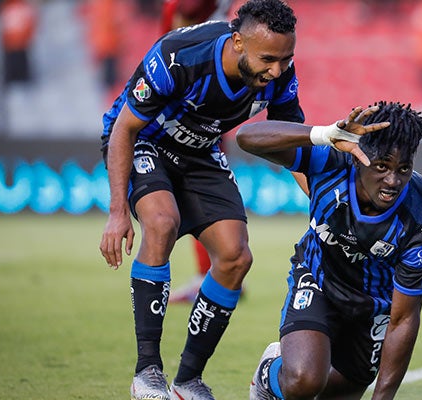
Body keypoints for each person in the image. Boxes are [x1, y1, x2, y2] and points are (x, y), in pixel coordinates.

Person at [98, 1, 304, 399]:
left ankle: (188, 381)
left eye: (285, 58)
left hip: (199, 150)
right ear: (238, 42)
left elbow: (289, 141)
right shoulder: (179, 56)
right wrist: (117, 212)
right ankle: (147, 374)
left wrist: (323, 201)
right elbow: (124, 129)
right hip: (145, 140)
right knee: (161, 222)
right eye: (268, 59)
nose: (277, 70)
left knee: (235, 256)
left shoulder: (279, 71)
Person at [236, 102, 422, 399]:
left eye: (403, 169)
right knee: (303, 382)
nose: (393, 181)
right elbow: (247, 137)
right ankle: (269, 375)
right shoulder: (330, 161)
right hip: (319, 279)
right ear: (358, 158)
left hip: (374, 304)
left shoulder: (420, 216)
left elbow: (405, 318)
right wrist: (320, 134)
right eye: (381, 166)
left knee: (335, 393)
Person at [158, 0, 234, 305]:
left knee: (190, 190)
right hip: (203, 92)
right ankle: (215, 273)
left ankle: (211, 275)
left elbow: (183, 16)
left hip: (189, 97)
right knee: (194, 189)